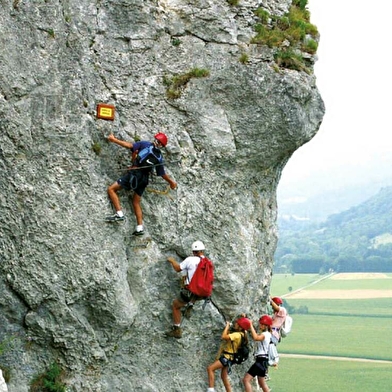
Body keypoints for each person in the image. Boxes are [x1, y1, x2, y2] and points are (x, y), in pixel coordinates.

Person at [106, 132, 177, 235]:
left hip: (135, 174)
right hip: (144, 179)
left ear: (155, 140)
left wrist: (114, 139)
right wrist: (171, 182)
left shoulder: (145, 144)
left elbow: (129, 146)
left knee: (111, 189)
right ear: (162, 145)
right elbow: (162, 174)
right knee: (136, 202)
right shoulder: (159, 157)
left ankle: (119, 214)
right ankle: (140, 227)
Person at [165, 240, 210, 338]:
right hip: (202, 293)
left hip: (190, 291)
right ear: (202, 250)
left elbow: (178, 268)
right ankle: (190, 305)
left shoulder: (190, 259)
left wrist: (172, 261)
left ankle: (176, 329)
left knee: (176, 306)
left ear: (194, 251)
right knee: (194, 294)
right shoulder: (207, 262)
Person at [207, 317, 251, 392]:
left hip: (227, 357)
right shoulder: (243, 334)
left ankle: (211, 390)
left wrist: (227, 325)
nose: (235, 324)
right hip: (231, 358)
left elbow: (224, 336)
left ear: (240, 327)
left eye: (237, 323)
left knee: (210, 368)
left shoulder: (237, 335)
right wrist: (243, 316)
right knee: (224, 377)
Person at [243, 315, 273, 392]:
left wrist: (250, 325)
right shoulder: (269, 335)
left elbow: (256, 338)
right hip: (264, 361)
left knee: (246, 380)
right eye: (261, 324)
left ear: (266, 326)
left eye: (263, 324)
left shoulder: (265, 334)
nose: (260, 325)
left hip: (260, 360)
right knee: (262, 383)